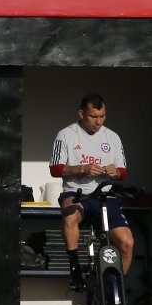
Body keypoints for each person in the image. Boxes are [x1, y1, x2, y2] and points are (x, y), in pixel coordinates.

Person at [49, 92, 132, 291]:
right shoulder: (66, 135)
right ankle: (75, 267)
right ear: (81, 114)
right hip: (78, 194)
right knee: (70, 218)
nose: (98, 122)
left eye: (102, 116)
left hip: (106, 196)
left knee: (127, 243)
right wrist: (80, 169)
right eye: (93, 117)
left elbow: (123, 171)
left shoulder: (112, 137)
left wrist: (116, 172)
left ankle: (113, 289)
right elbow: (55, 169)